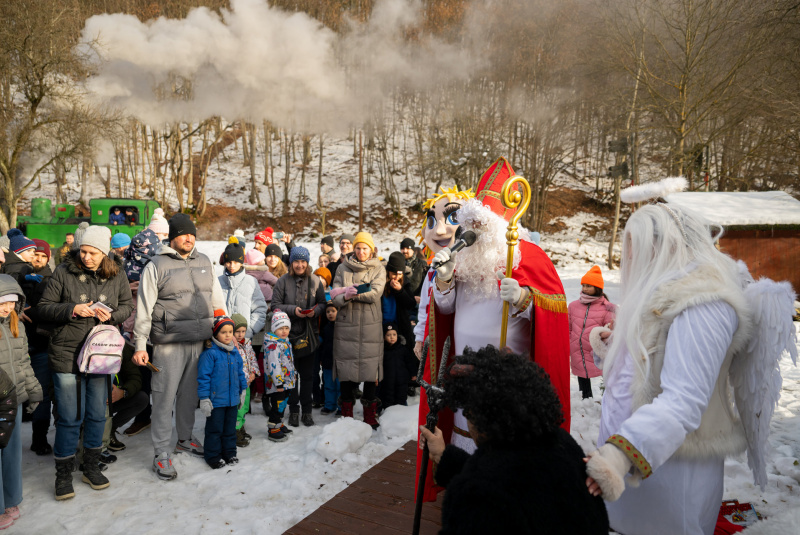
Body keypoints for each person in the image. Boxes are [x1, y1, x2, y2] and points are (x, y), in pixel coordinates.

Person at [583, 182, 796, 535]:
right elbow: (657, 356)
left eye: (636, 248)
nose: (630, 260)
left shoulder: (703, 302)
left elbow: (683, 400)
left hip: (669, 471)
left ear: (665, 245)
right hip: (636, 461)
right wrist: (616, 347)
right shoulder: (668, 290)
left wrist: (620, 456)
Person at [417, 160, 571, 503]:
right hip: (465, 372)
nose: (473, 232)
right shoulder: (463, 257)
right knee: (465, 443)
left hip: (507, 376)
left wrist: (523, 298)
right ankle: (465, 497)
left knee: (502, 454)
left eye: (481, 224)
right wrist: (443, 281)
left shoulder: (526, 256)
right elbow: (444, 312)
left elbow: (555, 313)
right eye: (469, 223)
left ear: (501, 225)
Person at [418, 347, 609, 535]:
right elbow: (518, 484)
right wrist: (444, 456)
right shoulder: (561, 444)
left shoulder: (475, 497)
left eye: (467, 410)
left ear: (478, 416)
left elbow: (495, 486)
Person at [37, 226, 133, 500]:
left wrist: (112, 315)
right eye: (83, 251)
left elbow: (127, 306)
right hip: (67, 354)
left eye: (93, 253)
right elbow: (43, 306)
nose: (86, 257)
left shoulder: (117, 274)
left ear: (104, 253)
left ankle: (90, 466)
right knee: (68, 417)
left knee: (96, 414)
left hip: (100, 356)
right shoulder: (63, 272)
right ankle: (63, 474)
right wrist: (71, 309)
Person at [131, 213, 227, 481]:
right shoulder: (156, 265)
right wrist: (140, 344)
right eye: (184, 234)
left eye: (192, 233)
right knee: (163, 399)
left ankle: (184, 438)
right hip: (168, 344)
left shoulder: (205, 262)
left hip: (199, 342)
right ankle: (161, 452)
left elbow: (216, 300)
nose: (189, 238)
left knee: (189, 397)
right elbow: (144, 310)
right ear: (172, 237)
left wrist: (224, 330)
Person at [331, 232, 386, 429]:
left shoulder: (379, 268)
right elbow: (335, 297)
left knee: (371, 371)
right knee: (346, 370)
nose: (361, 252)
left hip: (371, 327)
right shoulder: (342, 268)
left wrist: (352, 291)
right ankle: (346, 413)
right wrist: (346, 295)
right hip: (346, 325)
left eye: (365, 248)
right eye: (358, 248)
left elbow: (375, 293)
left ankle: (369, 415)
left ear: (371, 249)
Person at [0, 275, 43, 527]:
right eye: (1, 302)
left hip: (14, 399)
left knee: (12, 454)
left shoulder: (16, 324)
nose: (6, 308)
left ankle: (11, 499)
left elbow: (23, 362)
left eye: (11, 303)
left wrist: (34, 390)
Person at [271, 246, 326, 427]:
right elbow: (275, 305)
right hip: (288, 337)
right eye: (296, 261)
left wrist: (314, 312)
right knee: (291, 376)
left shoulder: (316, 281)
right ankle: (294, 410)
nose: (300, 265)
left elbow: (323, 304)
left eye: (303, 261)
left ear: (307, 263)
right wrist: (292, 310)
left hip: (309, 335)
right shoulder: (282, 282)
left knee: (308, 375)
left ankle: (307, 411)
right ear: (291, 263)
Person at [119, 228, 161, 438]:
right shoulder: (125, 263)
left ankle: (162, 416)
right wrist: (128, 289)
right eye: (137, 248)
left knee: (160, 378)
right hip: (130, 330)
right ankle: (143, 417)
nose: (140, 252)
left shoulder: (160, 264)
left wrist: (146, 289)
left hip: (155, 331)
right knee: (140, 377)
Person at [197, 315, 247, 469]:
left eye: (230, 332)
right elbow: (203, 377)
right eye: (223, 332)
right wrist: (204, 398)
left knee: (229, 429)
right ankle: (213, 456)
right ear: (216, 333)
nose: (228, 335)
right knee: (215, 430)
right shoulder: (210, 353)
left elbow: (240, 373)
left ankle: (230, 453)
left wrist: (243, 390)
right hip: (216, 401)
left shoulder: (235, 353)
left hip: (232, 400)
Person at [25, 240, 55, 455]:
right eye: (34, 254)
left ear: (48, 257)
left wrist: (30, 310)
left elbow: (51, 311)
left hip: (41, 345)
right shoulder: (17, 276)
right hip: (18, 346)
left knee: (41, 393)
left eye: (42, 255)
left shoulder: (53, 280)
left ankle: (39, 438)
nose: (38, 258)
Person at [568, 265, 616, 399]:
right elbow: (569, 327)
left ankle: (608, 399)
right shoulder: (573, 306)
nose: (584, 288)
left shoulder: (606, 308)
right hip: (577, 348)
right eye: (583, 285)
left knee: (606, 375)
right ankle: (586, 399)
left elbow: (610, 332)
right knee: (581, 376)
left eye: (588, 286)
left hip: (595, 351)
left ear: (597, 288)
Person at [218, 241, 267, 340]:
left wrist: (249, 331)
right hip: (221, 339)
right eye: (228, 262)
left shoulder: (251, 282)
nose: (232, 266)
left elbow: (260, 310)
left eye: (236, 262)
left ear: (241, 262)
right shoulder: (218, 282)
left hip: (243, 340)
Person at [108, 345, 148, 452]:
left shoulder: (119, 344)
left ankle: (109, 429)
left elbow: (135, 377)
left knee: (141, 399)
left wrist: (122, 392)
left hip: (113, 396)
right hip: (90, 398)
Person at [263, 311, 296, 442]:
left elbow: (288, 361)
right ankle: (273, 429)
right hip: (278, 384)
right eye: (280, 328)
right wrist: (279, 382)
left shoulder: (285, 342)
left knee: (282, 405)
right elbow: (274, 365)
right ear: (274, 329)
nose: (284, 331)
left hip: (286, 381)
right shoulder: (273, 345)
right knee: (277, 405)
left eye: (286, 328)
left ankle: (279, 424)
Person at [232, 313, 259, 447]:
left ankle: (241, 426)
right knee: (239, 407)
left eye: (243, 331)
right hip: (238, 384)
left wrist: (253, 371)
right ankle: (235, 431)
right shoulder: (231, 346)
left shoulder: (247, 343)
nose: (240, 334)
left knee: (245, 406)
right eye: (237, 331)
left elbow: (252, 358)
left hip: (247, 382)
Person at [379, 324, 417, 410]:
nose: (392, 337)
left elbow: (410, 362)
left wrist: (413, 373)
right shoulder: (382, 351)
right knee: (388, 397)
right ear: (384, 337)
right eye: (388, 335)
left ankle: (401, 412)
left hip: (402, 380)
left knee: (401, 396)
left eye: (394, 334)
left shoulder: (403, 349)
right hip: (387, 380)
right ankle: (388, 413)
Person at [382, 252, 415, 344]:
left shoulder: (405, 283)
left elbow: (411, 304)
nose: (396, 277)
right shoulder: (381, 282)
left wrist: (400, 291)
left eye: (399, 274)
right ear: (388, 272)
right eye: (394, 274)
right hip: (382, 327)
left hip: (400, 327)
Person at [318, 303, 340, 415]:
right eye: (328, 312)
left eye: (333, 311)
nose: (330, 314)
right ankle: (329, 405)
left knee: (340, 386)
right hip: (327, 361)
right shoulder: (325, 328)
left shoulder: (343, 327)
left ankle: (341, 407)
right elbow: (322, 345)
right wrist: (322, 357)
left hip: (341, 362)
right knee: (328, 385)